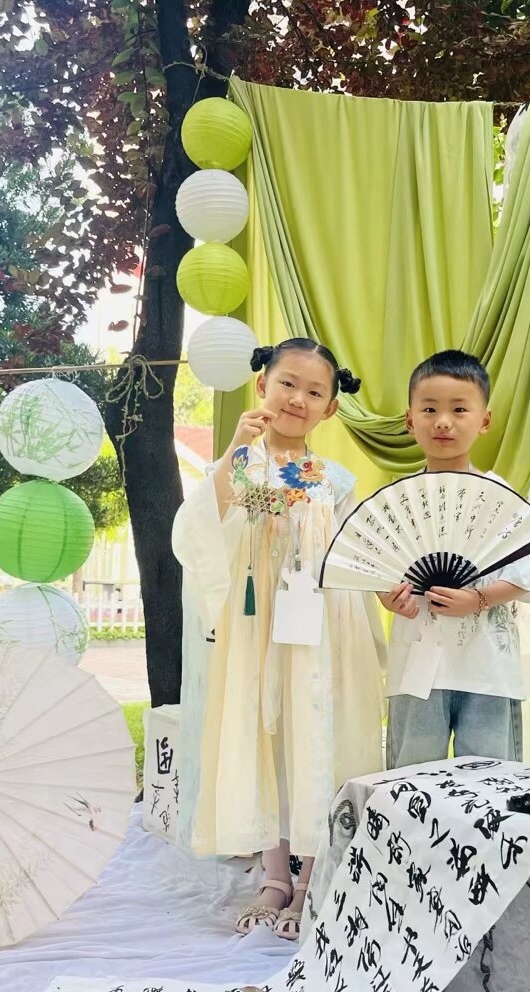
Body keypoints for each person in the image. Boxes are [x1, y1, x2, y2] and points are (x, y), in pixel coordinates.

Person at [172, 337, 384, 939]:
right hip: (255, 623)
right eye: (287, 383)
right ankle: (273, 875)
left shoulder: (335, 479)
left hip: (320, 624)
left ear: (330, 408)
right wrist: (235, 449)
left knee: (315, 735)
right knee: (262, 734)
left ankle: (312, 876)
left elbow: (354, 555)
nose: (298, 398)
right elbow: (199, 530)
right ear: (262, 384)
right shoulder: (241, 464)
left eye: (315, 391)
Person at [380, 350, 530, 767]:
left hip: (488, 668)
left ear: (484, 420)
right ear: (410, 420)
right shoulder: (396, 499)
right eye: (429, 409)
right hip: (416, 666)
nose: (443, 421)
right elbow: (376, 570)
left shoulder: (501, 496)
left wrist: (479, 599)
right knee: (411, 778)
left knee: (490, 779)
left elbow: (525, 575)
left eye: (459, 409)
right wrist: (389, 598)